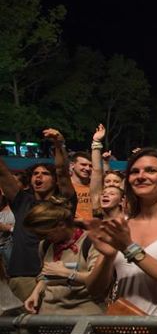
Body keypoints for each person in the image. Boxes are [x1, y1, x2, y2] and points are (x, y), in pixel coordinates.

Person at [86, 148, 157, 315]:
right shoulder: (121, 225)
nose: (141, 176)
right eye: (134, 171)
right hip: (120, 332)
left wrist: (129, 247)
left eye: (151, 170)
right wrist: (108, 257)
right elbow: (94, 289)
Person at [0, 128, 76, 302]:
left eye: (45, 173)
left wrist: (58, 145)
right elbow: (3, 172)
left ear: (54, 180)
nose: (38, 177)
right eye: (35, 174)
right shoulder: (21, 201)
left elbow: (63, 172)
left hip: (54, 274)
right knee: (21, 328)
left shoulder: (63, 202)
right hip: (22, 275)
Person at [22, 199, 106, 315]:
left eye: (45, 233)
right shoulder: (45, 245)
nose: (42, 237)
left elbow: (98, 282)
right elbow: (45, 275)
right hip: (48, 316)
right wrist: (36, 293)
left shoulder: (90, 242)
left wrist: (67, 273)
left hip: (83, 315)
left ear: (61, 225)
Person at [69, 151, 93, 220]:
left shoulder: (95, 186)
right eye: (83, 164)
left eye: (90, 166)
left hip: (93, 228)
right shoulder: (66, 186)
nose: (88, 168)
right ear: (72, 165)